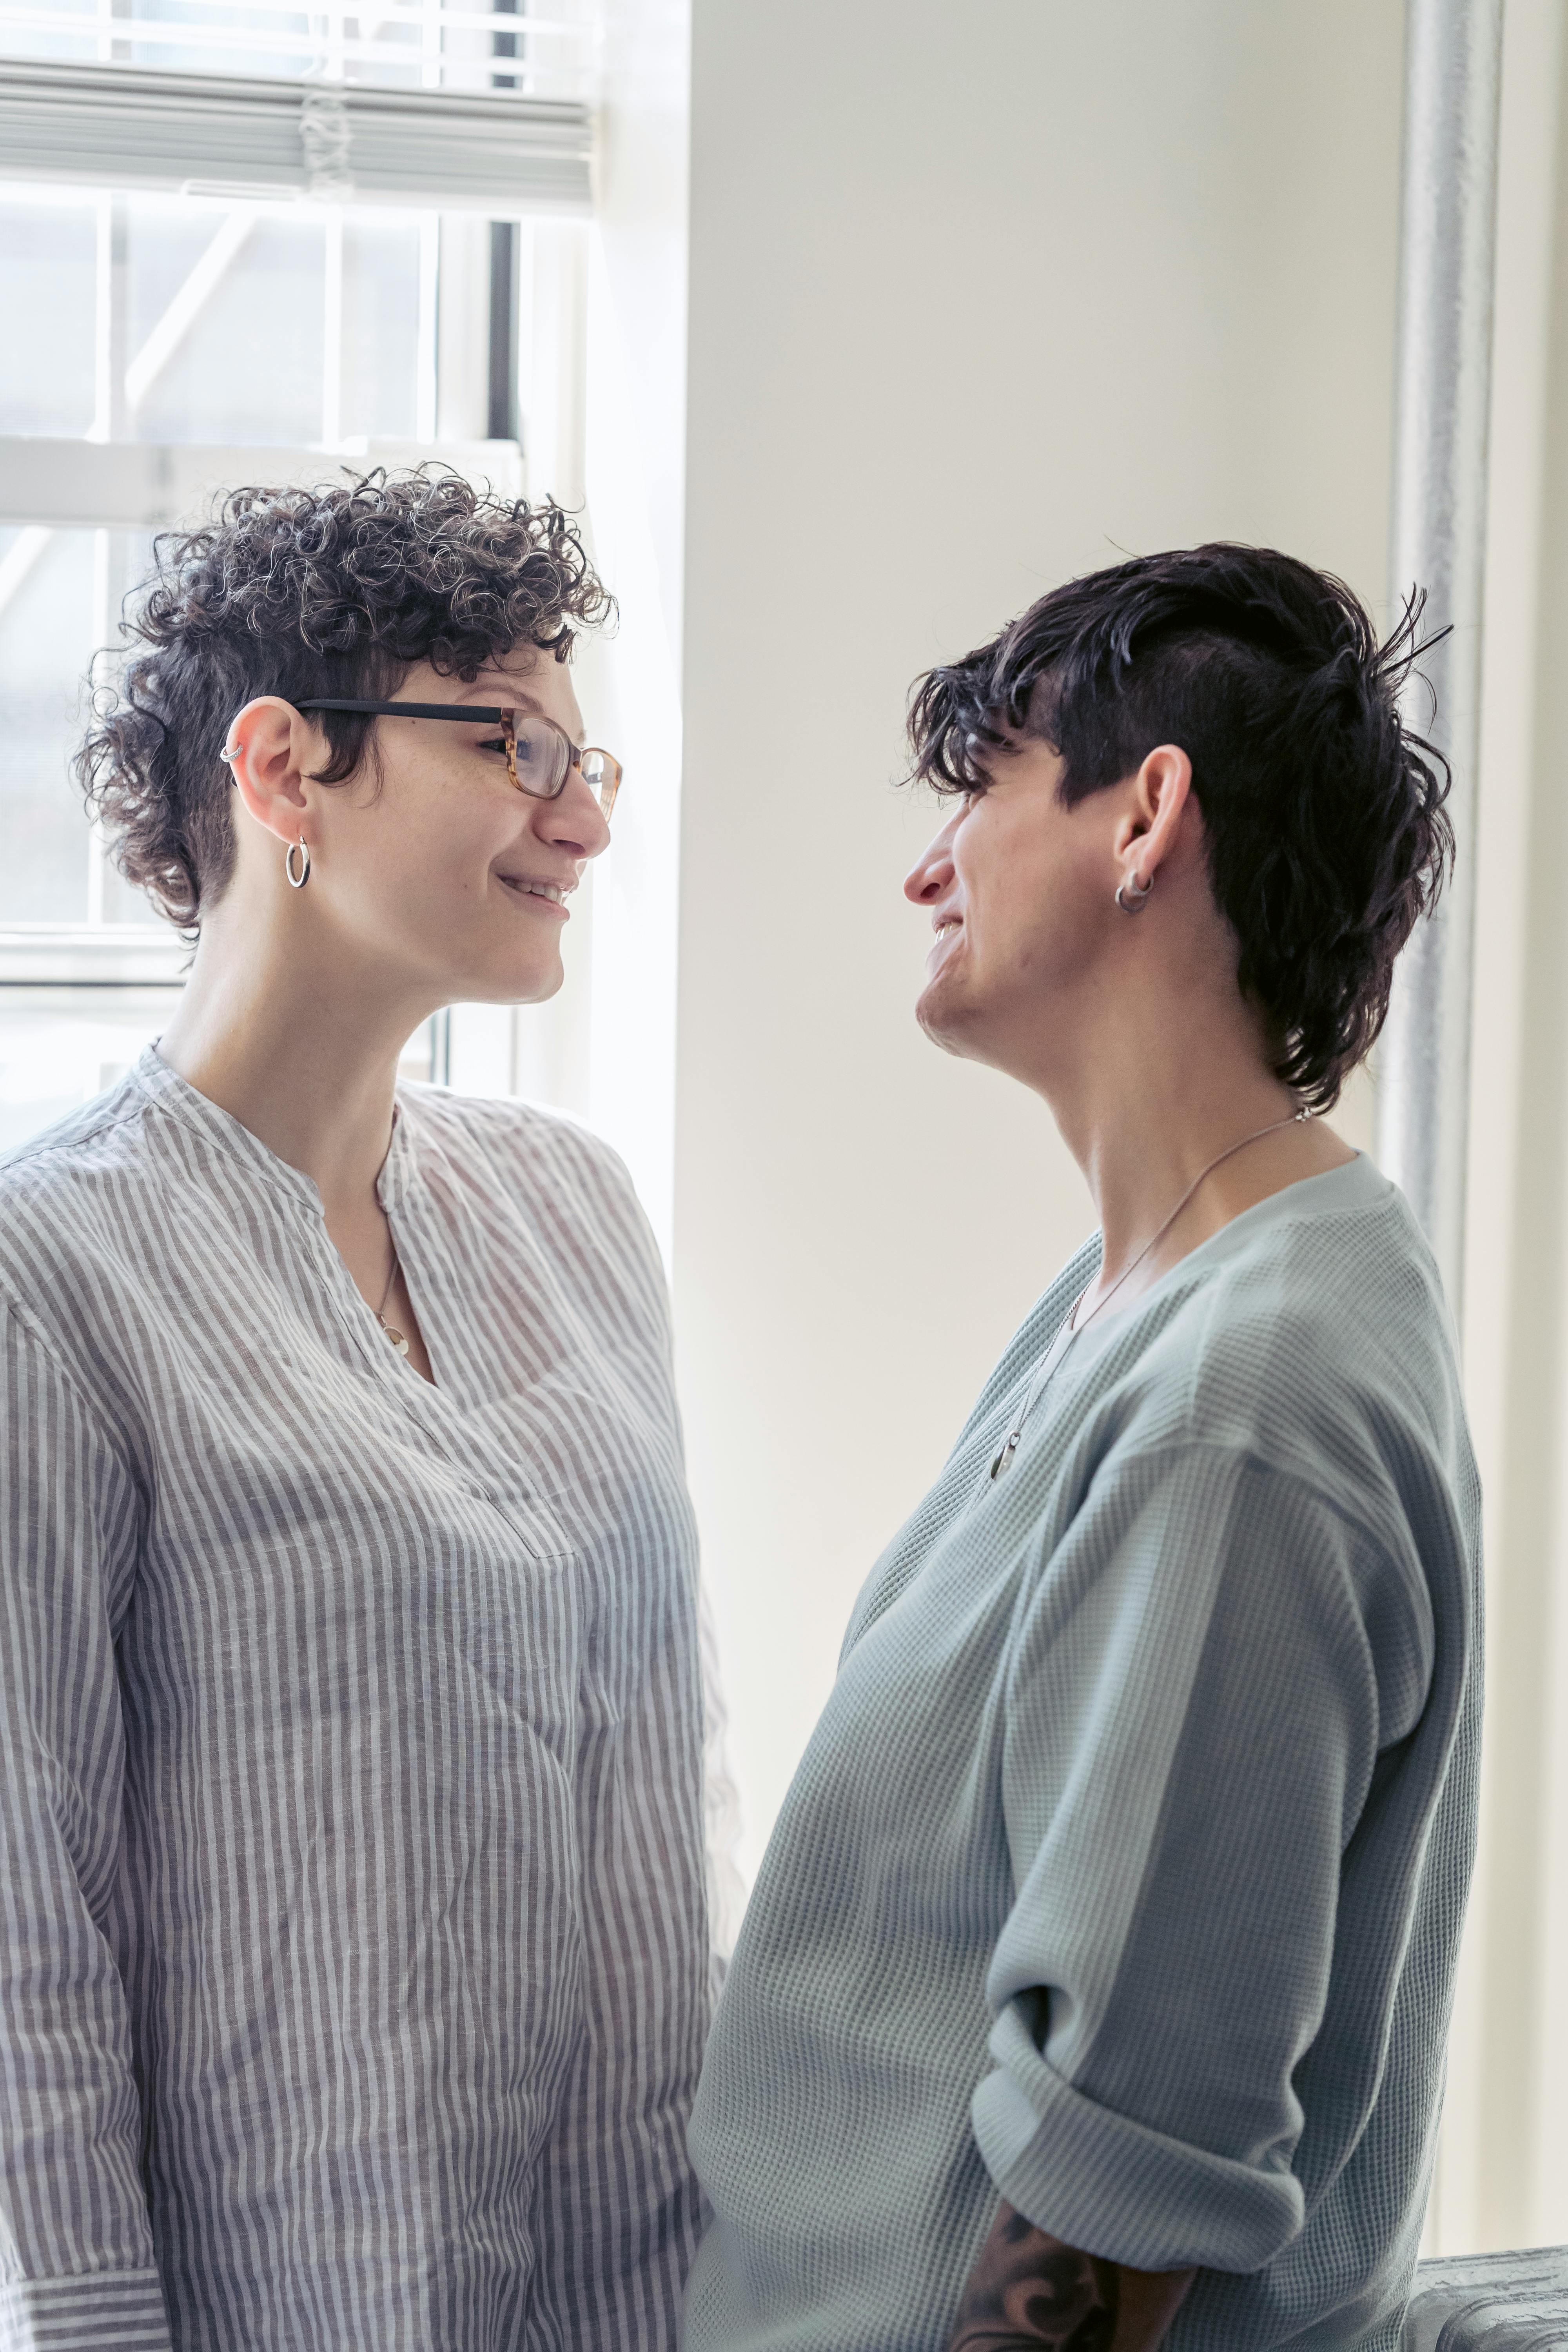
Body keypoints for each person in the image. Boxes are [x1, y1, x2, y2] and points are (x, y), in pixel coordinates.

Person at [682, 545, 1480, 2352]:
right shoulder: (1150, 1290)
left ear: (1146, 818)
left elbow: (1132, 2174)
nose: (925, 866)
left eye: (979, 788)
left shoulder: (1244, 1404)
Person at [0, 470, 732, 2351]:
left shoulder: (575, 1208)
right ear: (283, 770)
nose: (578, 817)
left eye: (586, 762)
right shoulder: (51, 1273)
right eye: (508, 743)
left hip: (650, 2292)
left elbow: (671, 1797)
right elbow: (26, 1944)